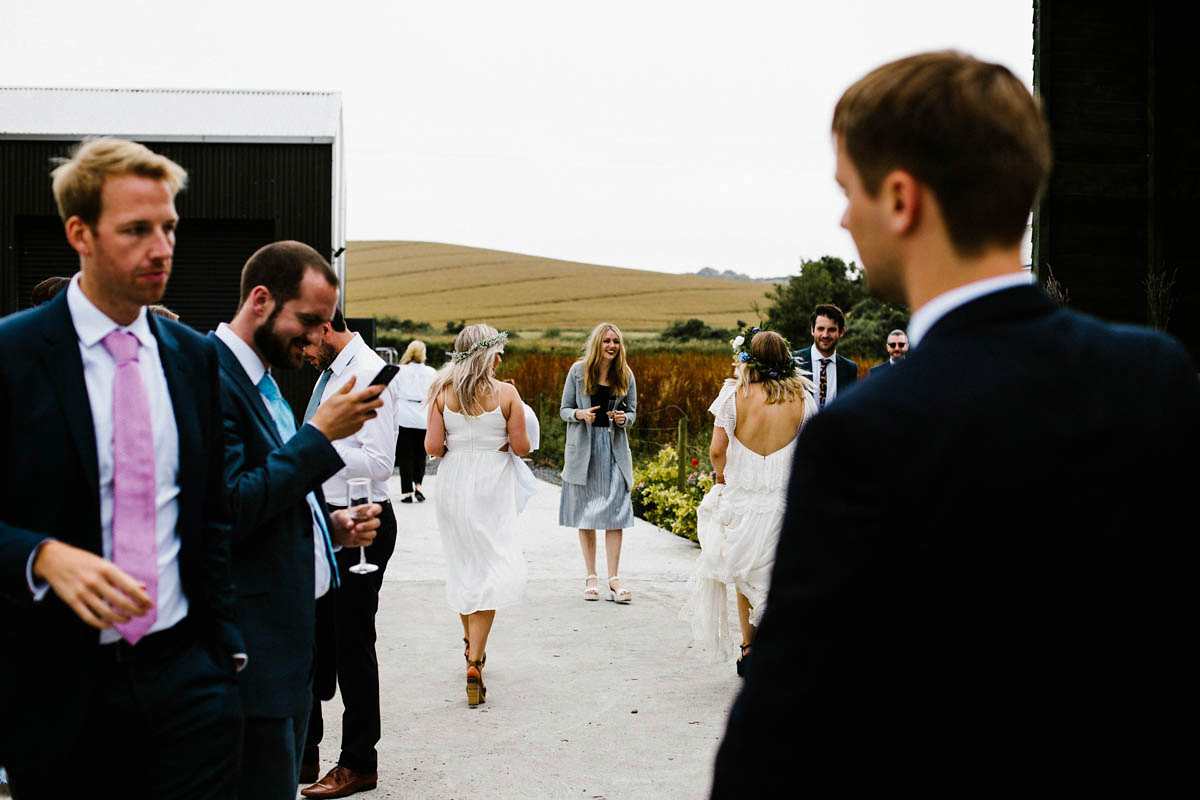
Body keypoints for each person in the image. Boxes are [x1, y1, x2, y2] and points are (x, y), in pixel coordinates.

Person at [711, 51, 1199, 798]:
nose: (844, 218)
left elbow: (778, 747)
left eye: (850, 191)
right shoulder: (1155, 377)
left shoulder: (865, 436)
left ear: (902, 199)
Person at [0, 138, 242, 798]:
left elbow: (211, 512)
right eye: (137, 230)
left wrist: (224, 654)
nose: (161, 247)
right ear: (79, 233)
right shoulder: (13, 354)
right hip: (59, 691)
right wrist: (39, 554)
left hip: (189, 679)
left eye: (169, 227)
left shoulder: (194, 359)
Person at [210, 240, 385, 800]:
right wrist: (318, 438)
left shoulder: (266, 382)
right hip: (249, 654)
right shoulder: (210, 379)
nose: (317, 338)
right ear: (261, 300)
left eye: (324, 324)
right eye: (308, 321)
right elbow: (229, 507)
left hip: (285, 654)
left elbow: (275, 496)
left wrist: (329, 530)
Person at [297, 306, 400, 798]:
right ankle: (304, 752)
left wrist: (312, 445)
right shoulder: (330, 374)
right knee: (312, 642)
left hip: (363, 523)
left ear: (325, 326)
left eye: (305, 341)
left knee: (352, 645)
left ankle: (359, 762)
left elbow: (380, 463)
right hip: (322, 520)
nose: (301, 351)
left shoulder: (370, 374)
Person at [680, 327, 815, 676]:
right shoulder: (803, 399)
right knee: (779, 576)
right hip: (785, 501)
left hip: (743, 500)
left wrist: (722, 476)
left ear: (749, 357)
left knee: (744, 576)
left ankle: (749, 648)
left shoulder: (734, 396)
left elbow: (716, 450)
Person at [424, 324, 530, 707]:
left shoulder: (441, 392)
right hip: (492, 485)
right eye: (498, 351)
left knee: (463, 563)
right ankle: (475, 660)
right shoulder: (507, 394)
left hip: (453, 484)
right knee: (489, 565)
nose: (501, 357)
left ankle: (470, 645)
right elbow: (522, 447)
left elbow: (433, 448)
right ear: (487, 353)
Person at [558, 322, 638, 602]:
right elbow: (564, 409)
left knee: (615, 513)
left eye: (616, 341)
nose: (612, 346)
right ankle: (591, 575)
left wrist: (622, 419)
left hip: (614, 450)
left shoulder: (626, 374)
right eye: (606, 341)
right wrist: (580, 415)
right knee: (586, 512)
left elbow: (633, 414)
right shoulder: (578, 372)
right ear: (597, 344)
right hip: (584, 450)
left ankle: (614, 578)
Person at [394, 339, 437, 503]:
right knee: (420, 454)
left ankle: (407, 492)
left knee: (405, 455)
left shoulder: (400, 370)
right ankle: (419, 485)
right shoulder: (431, 372)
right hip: (422, 416)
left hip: (404, 416)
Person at [792, 303, 857, 408]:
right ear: (812, 330)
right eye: (820, 329)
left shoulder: (849, 369)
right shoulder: (794, 361)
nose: (825, 335)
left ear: (841, 332)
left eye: (831, 330)